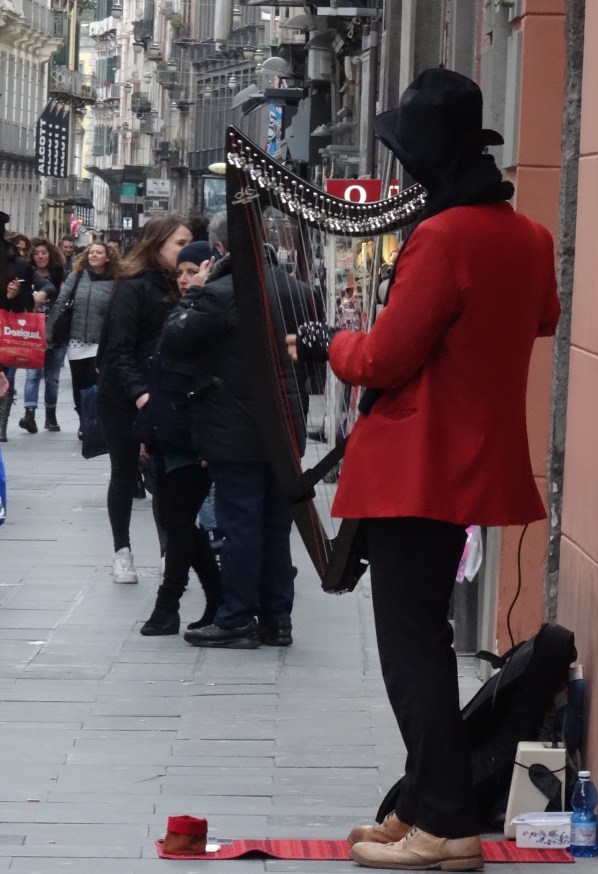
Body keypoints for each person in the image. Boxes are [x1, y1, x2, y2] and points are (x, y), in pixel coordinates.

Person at [287, 68, 560, 871]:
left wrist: (329, 341)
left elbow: (382, 358)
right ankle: (417, 803)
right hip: (473, 459)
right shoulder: (530, 235)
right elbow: (542, 317)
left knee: (414, 649)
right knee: (426, 639)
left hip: (417, 464)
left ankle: (443, 822)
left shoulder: (443, 237)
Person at [161, 211, 307, 649]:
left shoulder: (219, 293)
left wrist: (195, 294)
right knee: (275, 525)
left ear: (220, 248)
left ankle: (238, 615)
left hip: (233, 427)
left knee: (239, 523)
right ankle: (277, 617)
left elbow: (174, 339)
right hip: (284, 423)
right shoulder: (295, 289)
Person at [96, 216, 192, 584]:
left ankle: (168, 552)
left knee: (164, 474)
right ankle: (122, 551)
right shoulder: (133, 288)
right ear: (157, 246)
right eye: (179, 244)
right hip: (124, 397)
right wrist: (139, 393)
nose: (186, 251)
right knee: (123, 471)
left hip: (166, 396)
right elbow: (118, 351)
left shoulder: (187, 286)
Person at [135, 241, 222, 635]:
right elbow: (160, 377)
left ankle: (168, 605)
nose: (185, 280)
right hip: (167, 432)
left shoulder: (206, 312)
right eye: (181, 273)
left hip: (191, 437)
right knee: (181, 523)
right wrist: (148, 431)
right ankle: (217, 596)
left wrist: (206, 442)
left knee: (180, 523)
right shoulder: (181, 311)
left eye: (192, 272)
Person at [46, 242, 119, 437]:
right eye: (91, 252)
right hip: (76, 340)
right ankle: (82, 419)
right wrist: (49, 330)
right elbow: (61, 301)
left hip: (100, 341)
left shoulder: (116, 280)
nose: (94, 255)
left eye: (99, 252)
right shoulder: (77, 276)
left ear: (108, 257)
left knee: (95, 384)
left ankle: (94, 420)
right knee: (79, 384)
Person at [0, 229, 55, 441]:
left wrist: (22, 296)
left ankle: (2, 426)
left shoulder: (19, 266)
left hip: (6, 329)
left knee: (6, 375)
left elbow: (46, 286)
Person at [20, 237, 66, 433]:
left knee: (52, 378)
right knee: (32, 374)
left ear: (50, 254)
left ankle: (51, 415)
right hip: (32, 331)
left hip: (56, 331)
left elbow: (63, 301)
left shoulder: (59, 274)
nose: (40, 256)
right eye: (37, 253)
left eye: (44, 253)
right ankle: (29, 414)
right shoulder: (26, 274)